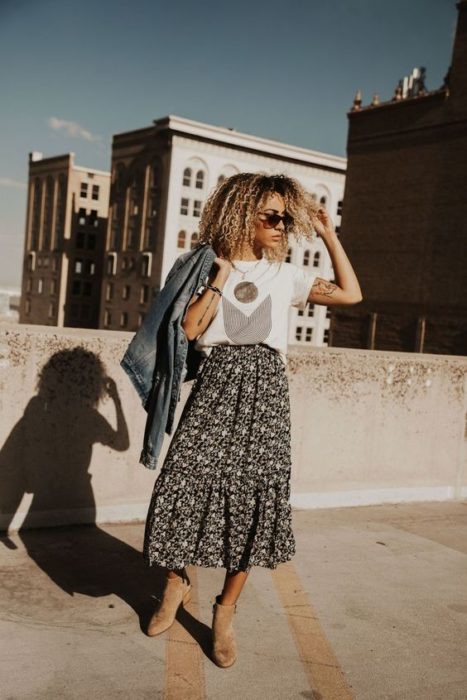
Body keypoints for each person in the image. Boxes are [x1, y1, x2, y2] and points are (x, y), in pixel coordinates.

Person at [142, 172, 363, 668]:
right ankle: (175, 581)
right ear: (244, 214)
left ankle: (225, 612)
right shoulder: (204, 266)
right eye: (271, 216)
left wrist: (329, 234)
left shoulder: (288, 276)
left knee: (253, 501)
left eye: (285, 217)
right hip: (217, 385)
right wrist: (220, 276)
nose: (281, 225)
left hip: (265, 391)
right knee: (181, 484)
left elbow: (352, 296)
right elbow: (191, 328)